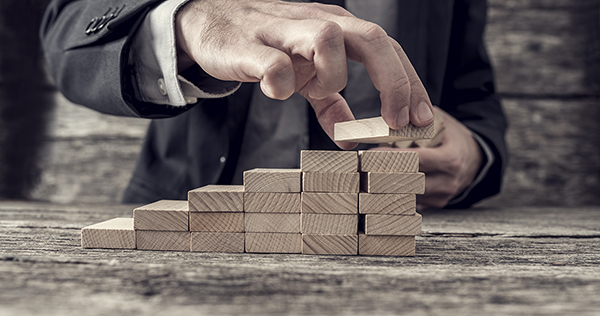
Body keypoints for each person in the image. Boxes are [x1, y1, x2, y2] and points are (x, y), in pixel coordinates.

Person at [41, 0, 507, 210]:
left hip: (401, 240)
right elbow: (68, 34)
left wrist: (474, 155)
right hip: (197, 227)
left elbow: (473, 93)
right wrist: (187, 24)